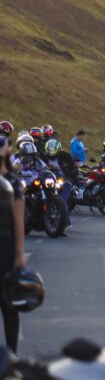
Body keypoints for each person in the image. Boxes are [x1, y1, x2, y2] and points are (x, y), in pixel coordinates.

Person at [0, 136, 27, 351]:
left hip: (5, 249)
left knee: (8, 304)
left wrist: (19, 255)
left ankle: (12, 354)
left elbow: (19, 222)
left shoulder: (14, 183)